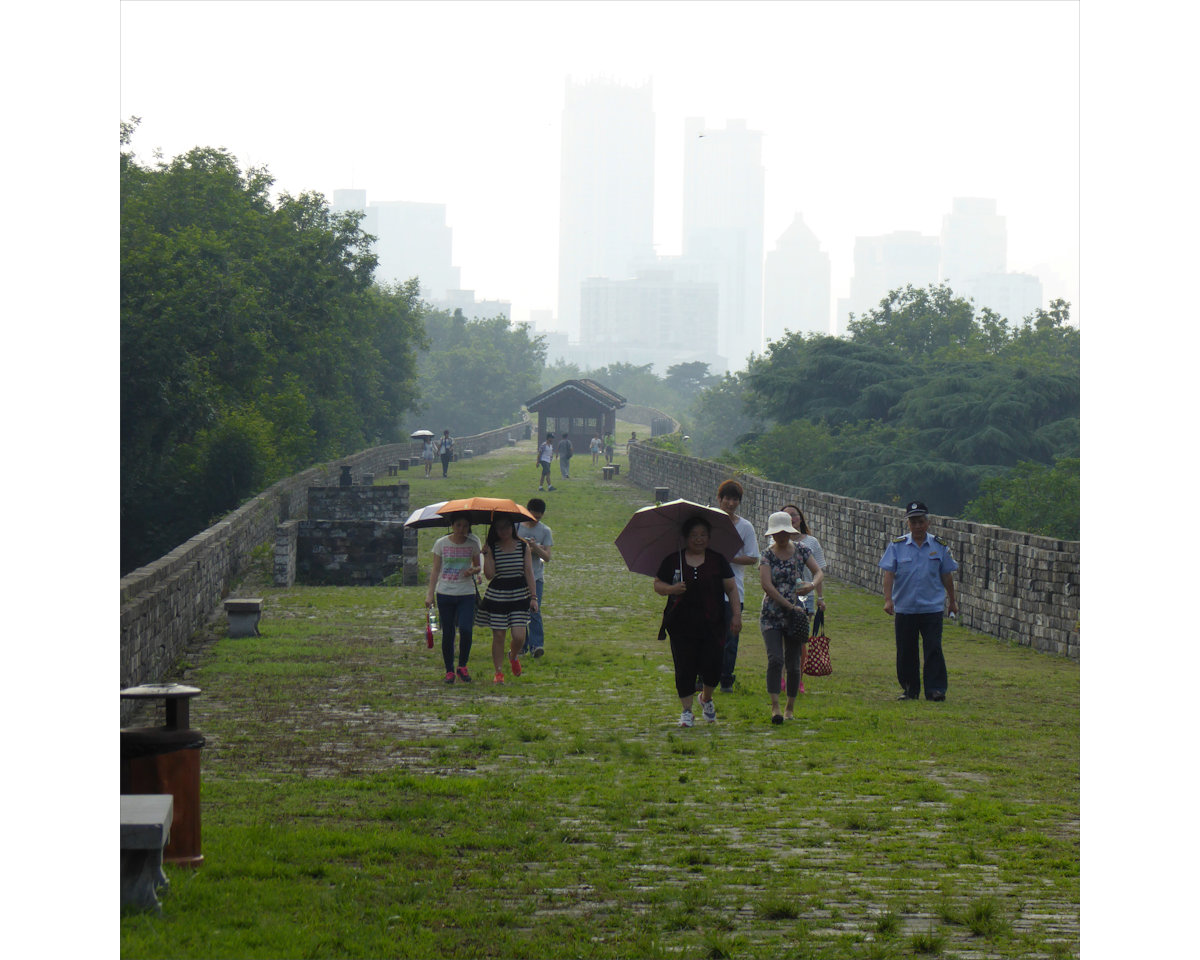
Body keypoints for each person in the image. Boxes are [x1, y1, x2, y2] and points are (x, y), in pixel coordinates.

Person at [654, 515, 741, 727]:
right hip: (681, 625)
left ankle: (706, 698)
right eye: (694, 535)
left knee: (713, 666)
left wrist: (736, 615)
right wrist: (671, 589)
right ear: (685, 537)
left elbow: (731, 588)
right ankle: (686, 711)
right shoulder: (673, 560)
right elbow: (658, 584)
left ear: (709, 537)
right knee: (684, 667)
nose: (699, 539)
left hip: (713, 623)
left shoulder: (717, 560)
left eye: (703, 535)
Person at [879, 500, 959, 701]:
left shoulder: (939, 546)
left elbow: (947, 575)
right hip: (906, 607)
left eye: (921, 521)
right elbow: (889, 574)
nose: (917, 526)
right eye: (913, 522)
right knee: (906, 651)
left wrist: (952, 601)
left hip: (931, 607)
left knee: (933, 648)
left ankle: (935, 689)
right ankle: (909, 689)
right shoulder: (897, 546)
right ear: (907, 524)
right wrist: (888, 600)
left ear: (928, 523)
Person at [759, 512, 824, 722]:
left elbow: (818, 571)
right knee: (775, 659)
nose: (781, 536)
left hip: (796, 615)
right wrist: (787, 605)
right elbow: (766, 585)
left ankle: (790, 707)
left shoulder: (802, 550)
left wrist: (811, 586)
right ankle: (775, 706)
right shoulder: (767, 555)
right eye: (777, 533)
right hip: (772, 613)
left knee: (794, 663)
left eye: (784, 532)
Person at [477, 514, 539, 683]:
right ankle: (498, 673)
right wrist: (487, 555)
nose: (503, 530)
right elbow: (489, 575)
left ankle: (512, 656)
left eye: (506, 526)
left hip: (519, 594)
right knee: (498, 635)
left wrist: (534, 597)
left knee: (519, 636)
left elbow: (529, 571)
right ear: (495, 530)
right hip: (497, 595)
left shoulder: (522, 546)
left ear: (512, 527)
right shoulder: (492, 548)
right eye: (499, 527)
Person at [712, 479, 759, 693]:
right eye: (727, 499)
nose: (730, 503)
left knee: (731, 637)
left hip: (734, 590)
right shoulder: (709, 520)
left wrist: (730, 557)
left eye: (734, 499)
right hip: (709, 588)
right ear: (719, 499)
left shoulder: (745, 527)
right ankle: (704, 676)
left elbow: (753, 558)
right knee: (709, 636)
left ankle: (726, 678)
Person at [424, 513, 482, 683]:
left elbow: (478, 566)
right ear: (452, 525)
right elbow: (435, 570)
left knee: (466, 629)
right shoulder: (441, 544)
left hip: (466, 593)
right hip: (445, 592)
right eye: (458, 525)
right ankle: (449, 670)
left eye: (465, 526)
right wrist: (430, 593)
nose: (461, 529)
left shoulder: (473, 544)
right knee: (448, 632)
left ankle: (462, 666)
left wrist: (473, 570)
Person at [781, 503, 826, 691]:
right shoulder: (776, 541)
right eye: (787, 516)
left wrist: (820, 597)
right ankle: (782, 677)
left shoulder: (811, 542)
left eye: (795, 515)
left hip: (804, 597)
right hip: (782, 596)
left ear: (800, 518)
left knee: (799, 640)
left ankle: (797, 678)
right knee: (782, 639)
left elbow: (819, 571)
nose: (792, 518)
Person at [518, 498, 554, 658]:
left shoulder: (545, 531)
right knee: (519, 612)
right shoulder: (516, 527)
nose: (535, 520)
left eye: (539, 518)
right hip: (518, 576)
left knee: (534, 610)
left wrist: (534, 548)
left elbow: (547, 557)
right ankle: (521, 645)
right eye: (533, 516)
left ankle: (537, 645)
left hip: (536, 576)